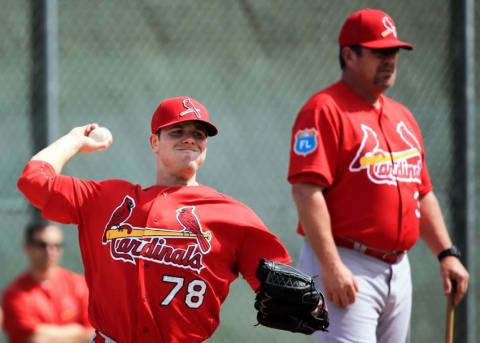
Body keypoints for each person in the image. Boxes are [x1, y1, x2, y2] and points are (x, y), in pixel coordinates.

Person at [16, 96, 296, 343]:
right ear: (154, 142)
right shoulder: (106, 198)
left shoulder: (233, 215)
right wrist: (74, 140)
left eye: (199, 134)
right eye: (177, 131)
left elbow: (283, 284)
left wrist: (308, 302)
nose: (189, 138)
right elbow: (34, 180)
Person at [287, 8, 469, 343]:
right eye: (379, 52)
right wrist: (330, 266)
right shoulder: (324, 110)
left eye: (393, 52)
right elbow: (306, 191)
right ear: (349, 55)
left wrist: (446, 253)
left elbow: (422, 192)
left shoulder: (402, 116)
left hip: (398, 269)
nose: (390, 60)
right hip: (347, 262)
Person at [2, 221, 94, 343]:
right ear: (26, 246)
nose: (50, 251)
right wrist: (76, 332)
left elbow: (93, 333)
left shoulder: (79, 284)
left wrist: (48, 335)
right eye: (42, 245)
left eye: (57, 245)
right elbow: (34, 338)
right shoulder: (14, 294)